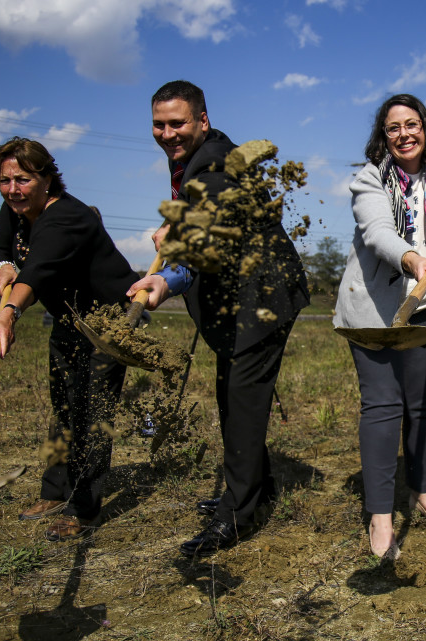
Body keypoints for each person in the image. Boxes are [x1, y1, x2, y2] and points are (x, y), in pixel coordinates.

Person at [128, 81, 309, 556]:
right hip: (242, 297)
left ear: (201, 122)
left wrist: (168, 277)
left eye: (178, 123)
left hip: (263, 299)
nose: (168, 133)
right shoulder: (197, 161)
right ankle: (256, 488)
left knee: (241, 399)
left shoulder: (211, 164)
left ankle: (238, 516)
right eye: (159, 125)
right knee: (232, 393)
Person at [334, 94, 426, 559]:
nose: (404, 134)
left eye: (412, 124)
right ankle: (380, 517)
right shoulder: (369, 179)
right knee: (382, 407)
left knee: (423, 408)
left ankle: (422, 493)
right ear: (384, 136)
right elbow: (378, 232)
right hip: (376, 313)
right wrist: (415, 258)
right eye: (393, 127)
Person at [0, 137, 139, 541]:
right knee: (64, 405)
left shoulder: (67, 217)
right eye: (4, 180)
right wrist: (2, 266)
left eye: (23, 179)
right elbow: (1, 250)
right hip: (70, 317)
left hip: (109, 319)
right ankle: (55, 491)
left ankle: (85, 507)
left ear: (47, 177)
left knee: (93, 410)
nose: (13, 189)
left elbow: (35, 271)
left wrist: (9, 311)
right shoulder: (15, 209)